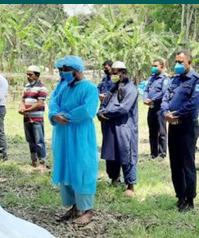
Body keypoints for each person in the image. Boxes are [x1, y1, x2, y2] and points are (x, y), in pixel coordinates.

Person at [50, 56, 100, 226]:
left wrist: (68, 117)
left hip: (80, 134)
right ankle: (75, 206)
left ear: (76, 70)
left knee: (82, 167)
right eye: (61, 70)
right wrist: (54, 115)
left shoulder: (89, 88)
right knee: (66, 168)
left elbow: (87, 110)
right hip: (63, 134)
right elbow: (53, 101)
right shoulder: (62, 86)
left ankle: (88, 210)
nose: (62, 73)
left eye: (65, 69)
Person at [161, 50, 199, 212]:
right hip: (173, 127)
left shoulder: (197, 81)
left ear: (189, 62)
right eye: (176, 62)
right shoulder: (173, 81)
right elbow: (165, 98)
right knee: (175, 163)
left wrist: (176, 114)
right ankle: (180, 195)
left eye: (181, 62)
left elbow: (193, 104)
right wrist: (166, 113)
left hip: (187, 127)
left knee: (187, 163)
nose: (178, 65)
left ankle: (189, 198)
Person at [97, 61, 139, 196]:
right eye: (112, 73)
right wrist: (100, 112)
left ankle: (130, 185)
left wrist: (107, 113)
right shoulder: (113, 88)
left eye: (115, 73)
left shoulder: (130, 88)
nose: (112, 75)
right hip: (110, 126)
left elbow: (124, 108)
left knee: (126, 154)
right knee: (111, 153)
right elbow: (104, 103)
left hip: (124, 127)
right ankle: (114, 178)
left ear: (123, 73)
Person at [18, 65, 49, 169]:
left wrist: (27, 110)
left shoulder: (42, 88)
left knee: (39, 141)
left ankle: (42, 162)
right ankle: (34, 160)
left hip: (37, 119)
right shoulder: (26, 87)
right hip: (27, 118)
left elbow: (40, 104)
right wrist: (21, 108)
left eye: (30, 74)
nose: (28, 76)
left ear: (37, 75)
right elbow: (22, 100)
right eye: (27, 74)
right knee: (30, 140)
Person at [143, 58, 169, 159]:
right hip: (151, 108)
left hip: (160, 108)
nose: (153, 68)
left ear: (162, 67)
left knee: (161, 131)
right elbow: (146, 90)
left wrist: (152, 99)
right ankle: (153, 153)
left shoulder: (165, 79)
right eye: (152, 66)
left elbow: (163, 92)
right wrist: (145, 99)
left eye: (155, 66)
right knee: (152, 131)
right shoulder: (151, 78)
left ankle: (162, 153)